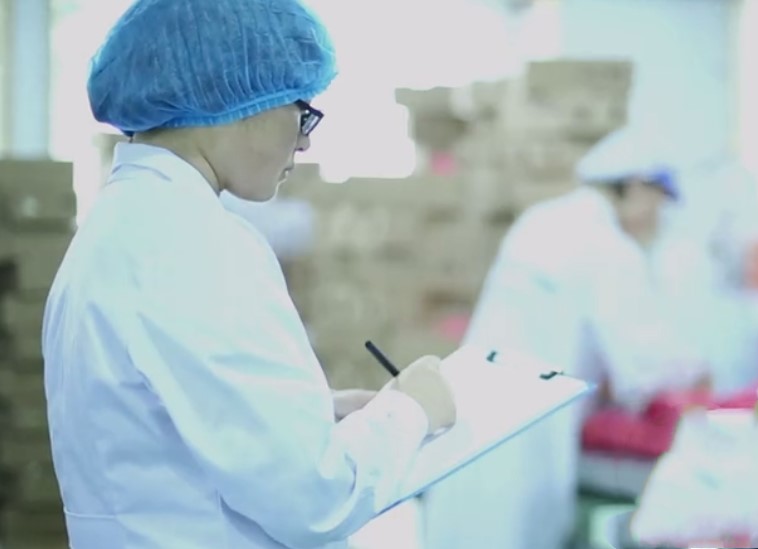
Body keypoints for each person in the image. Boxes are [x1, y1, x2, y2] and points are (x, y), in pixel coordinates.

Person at [41, 1, 457, 548]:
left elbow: (163, 416)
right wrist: (412, 411)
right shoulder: (194, 244)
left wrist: (314, 410)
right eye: (301, 110)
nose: (305, 140)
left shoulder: (122, 227)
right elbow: (316, 497)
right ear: (237, 96)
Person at [422, 126, 710, 549]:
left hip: (475, 413)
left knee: (467, 522)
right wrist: (701, 375)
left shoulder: (542, 221)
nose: (658, 217)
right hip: (532, 434)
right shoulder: (609, 248)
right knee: (514, 526)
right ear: (634, 187)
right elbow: (648, 364)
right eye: (657, 201)